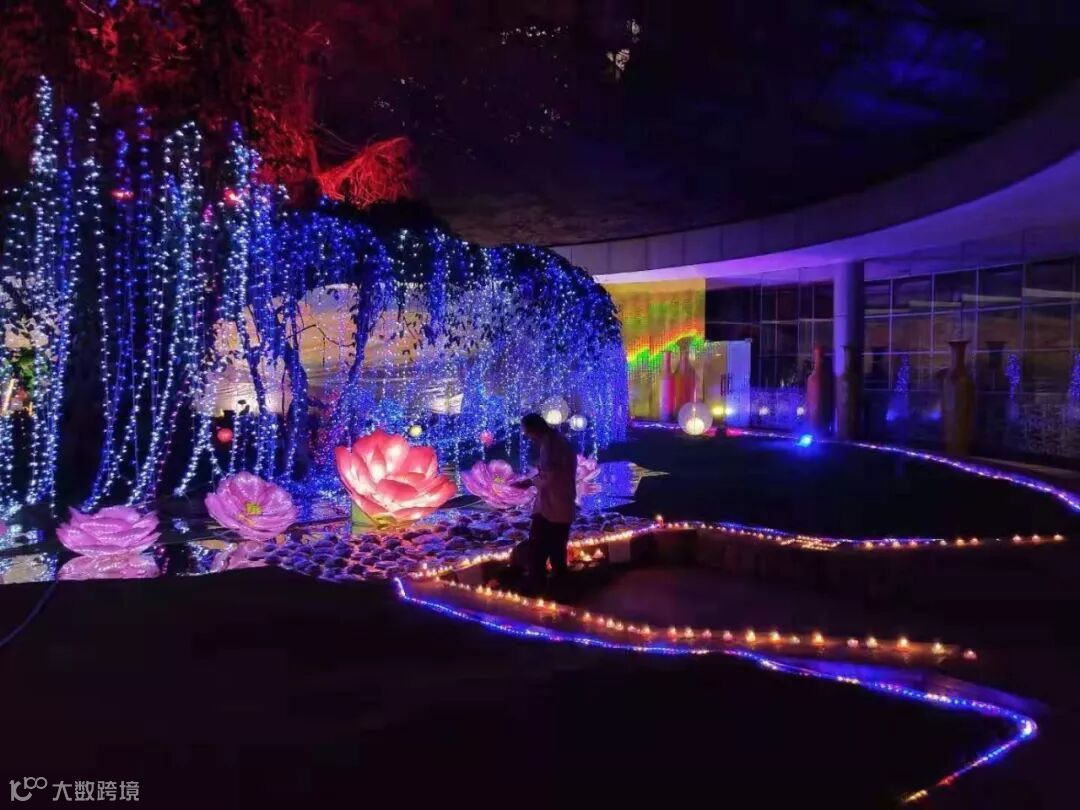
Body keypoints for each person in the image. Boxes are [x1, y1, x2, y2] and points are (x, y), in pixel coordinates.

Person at [512, 412, 577, 592]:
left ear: (535, 429)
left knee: (539, 549)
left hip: (553, 506)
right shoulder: (556, 441)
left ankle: (540, 586)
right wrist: (533, 480)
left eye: (528, 432)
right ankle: (559, 588)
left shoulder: (552, 445)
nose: (528, 437)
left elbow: (551, 475)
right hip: (558, 504)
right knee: (557, 549)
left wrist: (529, 483)